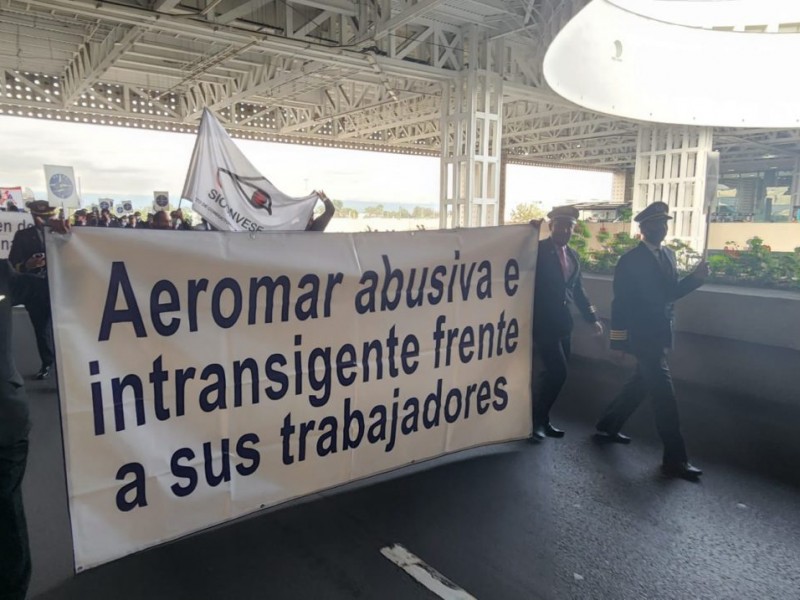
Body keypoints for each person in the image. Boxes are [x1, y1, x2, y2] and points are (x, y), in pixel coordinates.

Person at [595, 201, 709, 480]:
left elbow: (669, 293)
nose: (663, 228)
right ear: (644, 228)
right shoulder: (630, 261)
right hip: (642, 337)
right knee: (665, 399)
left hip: (660, 334)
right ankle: (675, 459)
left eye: (665, 223)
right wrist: (618, 342)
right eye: (657, 224)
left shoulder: (668, 255)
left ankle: (608, 425)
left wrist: (695, 279)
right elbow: (619, 304)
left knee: (640, 384)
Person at [531, 206, 603, 441]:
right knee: (558, 372)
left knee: (551, 375)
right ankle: (536, 421)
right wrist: (527, 234)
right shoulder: (537, 250)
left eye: (569, 227)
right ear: (550, 226)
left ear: (574, 229)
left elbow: (578, 291)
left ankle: (540, 419)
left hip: (564, 325)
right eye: (559, 225)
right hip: (542, 323)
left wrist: (592, 318)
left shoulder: (573, 256)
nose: (564, 230)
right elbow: (513, 260)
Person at [0, 259, 47, 600]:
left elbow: (54, 288)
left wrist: (66, 245)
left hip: (4, 421)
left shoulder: (2, 274)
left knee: (6, 520)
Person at [7, 201, 56, 379]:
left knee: (64, 328)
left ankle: (67, 365)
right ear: (34, 217)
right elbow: (13, 265)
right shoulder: (23, 236)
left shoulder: (63, 234)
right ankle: (47, 362)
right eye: (40, 218)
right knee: (41, 330)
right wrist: (27, 264)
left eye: (48, 217)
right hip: (35, 289)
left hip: (59, 288)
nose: (44, 221)